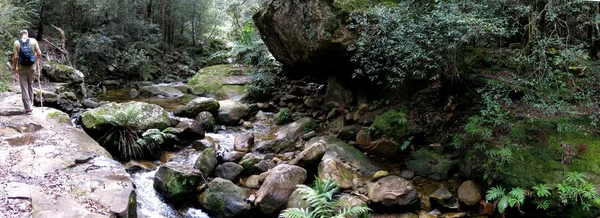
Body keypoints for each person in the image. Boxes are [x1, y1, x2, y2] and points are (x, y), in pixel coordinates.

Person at [12, 30, 42, 115]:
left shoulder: (16, 43)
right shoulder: (33, 41)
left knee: (24, 88)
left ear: (20, 35)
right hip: (32, 67)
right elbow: (39, 53)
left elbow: (15, 57)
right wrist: (35, 56)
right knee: (30, 86)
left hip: (21, 68)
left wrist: (15, 68)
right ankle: (31, 104)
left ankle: (28, 108)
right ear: (27, 34)